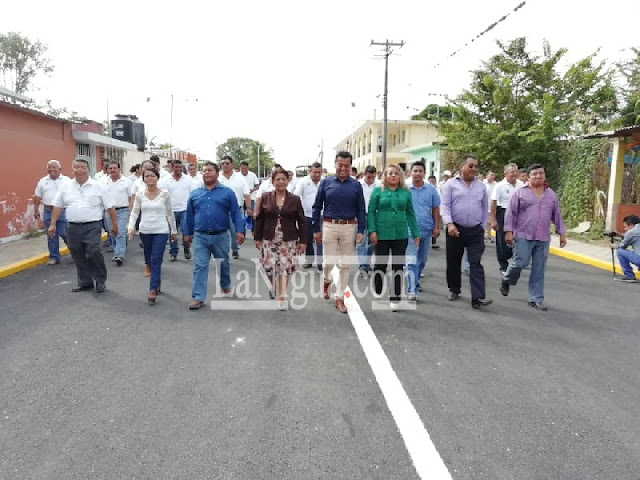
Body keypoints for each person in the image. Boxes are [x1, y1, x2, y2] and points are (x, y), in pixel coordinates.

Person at [501, 163, 567, 310]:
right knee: (520, 262)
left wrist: (562, 233)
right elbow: (510, 213)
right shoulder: (519, 192)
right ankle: (507, 278)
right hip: (523, 234)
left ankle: (535, 298)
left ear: (544, 175)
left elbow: (556, 215)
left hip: (543, 237)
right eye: (535, 174)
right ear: (528, 177)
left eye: (541, 173)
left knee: (539, 268)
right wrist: (508, 231)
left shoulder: (551, 194)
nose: (538, 176)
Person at [183, 161, 245, 310]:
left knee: (223, 264)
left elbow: (236, 213)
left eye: (210, 170)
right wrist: (187, 233)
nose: (207, 173)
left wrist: (240, 230)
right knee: (200, 266)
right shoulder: (195, 193)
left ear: (217, 173)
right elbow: (189, 215)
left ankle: (225, 285)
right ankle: (198, 297)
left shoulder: (227, 193)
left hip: (221, 236)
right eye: (204, 171)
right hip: (200, 236)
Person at [49, 157, 117, 293]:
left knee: (93, 252)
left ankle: (100, 280)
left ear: (88, 170)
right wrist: (52, 224)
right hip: (72, 227)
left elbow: (110, 206)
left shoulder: (98, 186)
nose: (80, 170)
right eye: (77, 167)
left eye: (83, 167)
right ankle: (85, 282)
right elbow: (57, 206)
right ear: (72, 170)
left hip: (93, 225)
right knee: (77, 253)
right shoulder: (66, 186)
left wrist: (114, 224)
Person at [312, 151, 366, 314]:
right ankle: (327, 280)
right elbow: (317, 206)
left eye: (346, 166)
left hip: (349, 227)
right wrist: (316, 229)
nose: (343, 168)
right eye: (340, 165)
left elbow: (361, 208)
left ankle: (340, 297)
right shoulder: (326, 183)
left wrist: (361, 230)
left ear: (351, 166)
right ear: (335, 164)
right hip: (329, 226)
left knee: (345, 264)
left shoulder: (356, 185)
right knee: (328, 263)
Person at [440, 154, 493, 309]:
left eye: (476, 166)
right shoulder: (450, 185)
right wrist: (449, 224)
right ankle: (454, 289)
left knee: (475, 263)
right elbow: (445, 206)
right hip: (455, 229)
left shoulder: (481, 186)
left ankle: (478, 297)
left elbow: (484, 208)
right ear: (461, 167)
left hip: (475, 230)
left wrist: (482, 227)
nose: (474, 169)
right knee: (453, 261)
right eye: (470, 166)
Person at [368, 164, 420, 311]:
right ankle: (378, 288)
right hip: (382, 233)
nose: (393, 176)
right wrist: (372, 230)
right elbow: (371, 211)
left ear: (400, 176)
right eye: (390, 173)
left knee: (398, 266)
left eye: (396, 173)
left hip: (400, 234)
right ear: (385, 176)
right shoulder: (378, 191)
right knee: (380, 265)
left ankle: (395, 298)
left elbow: (410, 213)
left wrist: (415, 233)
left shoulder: (405, 192)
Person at [255, 168, 307, 310]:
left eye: (283, 179)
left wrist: (303, 241)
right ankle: (272, 285)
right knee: (268, 267)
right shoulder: (266, 197)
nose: (281, 182)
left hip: (288, 239)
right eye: (277, 179)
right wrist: (257, 238)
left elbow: (302, 221)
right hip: (269, 238)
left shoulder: (295, 199)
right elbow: (259, 219)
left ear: (288, 180)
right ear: (272, 181)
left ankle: (281, 296)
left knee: (285, 267)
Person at [127, 168, 177, 303]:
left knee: (156, 258)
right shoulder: (140, 194)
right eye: (147, 176)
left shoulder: (164, 194)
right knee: (149, 258)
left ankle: (153, 288)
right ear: (143, 179)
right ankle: (157, 280)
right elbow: (135, 212)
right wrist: (131, 226)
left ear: (157, 177)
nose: (149, 178)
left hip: (161, 230)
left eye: (152, 176)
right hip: (145, 230)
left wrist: (173, 230)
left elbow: (170, 213)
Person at [405, 161, 440, 301]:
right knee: (411, 260)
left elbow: (435, 208)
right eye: (415, 171)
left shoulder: (431, 190)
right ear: (410, 173)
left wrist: (436, 226)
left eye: (420, 171)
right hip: (409, 229)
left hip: (426, 228)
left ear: (424, 173)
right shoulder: (405, 189)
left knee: (422, 260)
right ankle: (411, 290)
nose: (417, 173)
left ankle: (415, 280)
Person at [34, 160, 70, 265]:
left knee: (64, 233)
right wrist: (36, 210)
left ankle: (75, 250)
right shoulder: (42, 181)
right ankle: (54, 257)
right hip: (48, 211)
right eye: (49, 167)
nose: (51, 169)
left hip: (63, 210)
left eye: (54, 167)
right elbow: (37, 196)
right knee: (51, 234)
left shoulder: (67, 180)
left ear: (60, 169)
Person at [490, 163, 522, 272]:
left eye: (516, 172)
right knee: (502, 241)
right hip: (503, 213)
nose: (514, 174)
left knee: (518, 239)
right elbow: (493, 203)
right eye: (511, 172)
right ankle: (503, 265)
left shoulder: (521, 184)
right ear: (505, 173)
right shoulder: (500, 186)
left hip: (518, 214)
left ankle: (513, 258)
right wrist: (493, 220)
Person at [219, 155, 251, 259]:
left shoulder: (239, 178)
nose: (225, 165)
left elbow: (246, 193)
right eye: (223, 163)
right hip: (220, 210)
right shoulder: (217, 177)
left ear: (232, 165)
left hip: (236, 210)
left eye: (227, 163)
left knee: (235, 232)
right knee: (221, 233)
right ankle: (222, 252)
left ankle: (235, 249)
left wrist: (249, 208)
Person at [102, 160, 133, 266]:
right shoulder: (104, 182)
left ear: (119, 169)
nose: (112, 170)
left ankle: (119, 255)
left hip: (123, 210)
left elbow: (131, 197)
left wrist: (131, 210)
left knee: (120, 232)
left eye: (114, 168)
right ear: (107, 170)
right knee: (113, 232)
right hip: (109, 211)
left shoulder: (126, 182)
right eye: (110, 168)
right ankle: (117, 250)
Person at [294, 161, 323, 270]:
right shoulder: (303, 182)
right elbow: (296, 196)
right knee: (307, 239)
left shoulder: (325, 182)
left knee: (320, 239)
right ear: (310, 171)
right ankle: (309, 260)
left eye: (319, 172)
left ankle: (321, 262)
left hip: (321, 215)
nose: (317, 174)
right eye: (315, 172)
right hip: (307, 215)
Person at [165, 159, 194, 261]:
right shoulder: (166, 180)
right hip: (171, 211)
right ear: (172, 167)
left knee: (186, 231)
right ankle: (173, 252)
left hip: (185, 209)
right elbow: (164, 195)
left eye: (180, 167)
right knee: (172, 233)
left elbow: (192, 194)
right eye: (176, 167)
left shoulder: (188, 179)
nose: (178, 169)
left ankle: (186, 249)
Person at [357, 165, 379, 275]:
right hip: (360, 215)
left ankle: (367, 262)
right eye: (369, 177)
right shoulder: (358, 184)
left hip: (374, 215)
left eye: (373, 177)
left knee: (372, 241)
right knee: (361, 240)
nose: (371, 179)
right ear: (365, 174)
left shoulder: (379, 185)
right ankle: (363, 265)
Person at [611, 215, 640, 283]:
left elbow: (622, 246)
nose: (625, 229)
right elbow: (634, 236)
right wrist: (620, 234)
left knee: (620, 251)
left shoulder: (631, 232)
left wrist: (613, 246)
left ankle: (629, 275)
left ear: (631, 225)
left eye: (626, 226)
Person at [239, 160, 260, 231]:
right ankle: (242, 231)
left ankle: (254, 230)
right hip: (241, 199)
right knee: (241, 216)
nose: (243, 170)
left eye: (245, 168)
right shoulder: (237, 176)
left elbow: (257, 185)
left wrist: (252, 190)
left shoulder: (252, 175)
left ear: (248, 168)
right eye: (242, 168)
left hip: (251, 198)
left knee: (253, 214)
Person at [483, 171, 497, 242]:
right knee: (483, 221)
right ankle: (483, 235)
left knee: (489, 222)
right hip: (483, 205)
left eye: (493, 175)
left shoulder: (496, 184)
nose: (492, 177)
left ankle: (487, 235)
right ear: (487, 176)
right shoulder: (482, 183)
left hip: (492, 206)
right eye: (491, 175)